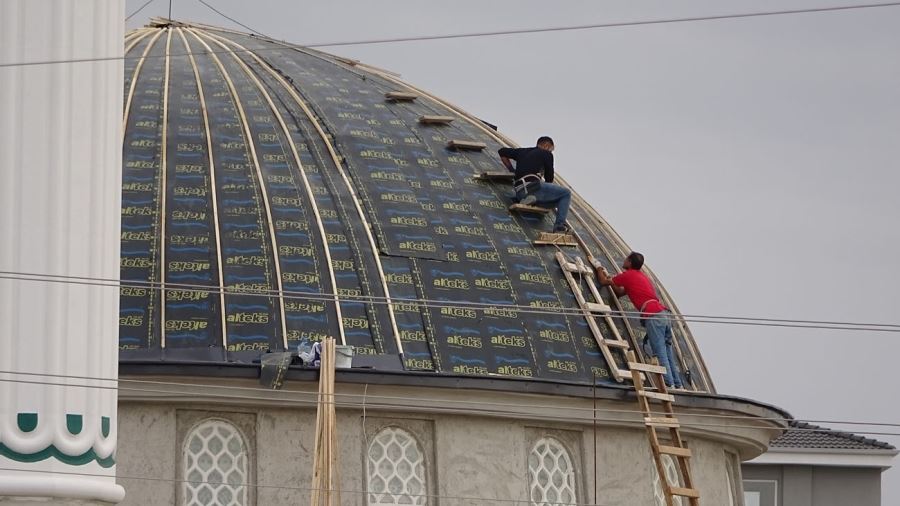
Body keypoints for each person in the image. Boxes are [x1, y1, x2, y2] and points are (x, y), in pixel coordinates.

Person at [595, 251, 684, 388]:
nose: (623, 261)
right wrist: (612, 280)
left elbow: (602, 281)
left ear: (629, 262)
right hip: (664, 315)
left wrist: (598, 267)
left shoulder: (628, 275)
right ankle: (677, 383)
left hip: (653, 316)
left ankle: (668, 384)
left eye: (626, 259)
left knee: (659, 350)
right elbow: (620, 292)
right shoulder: (641, 276)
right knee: (667, 351)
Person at [498, 136, 572, 233]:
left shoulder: (522, 151)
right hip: (533, 187)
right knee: (565, 194)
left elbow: (501, 151)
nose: (551, 152)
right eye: (551, 149)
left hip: (520, 192)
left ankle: (532, 199)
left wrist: (512, 170)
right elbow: (549, 178)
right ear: (546, 146)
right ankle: (559, 226)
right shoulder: (546, 154)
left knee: (557, 201)